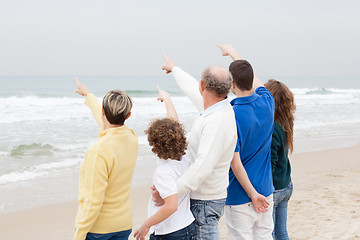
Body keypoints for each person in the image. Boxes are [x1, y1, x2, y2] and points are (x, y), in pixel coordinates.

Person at [160, 54, 269, 240]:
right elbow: (193, 92)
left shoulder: (216, 121)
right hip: (209, 197)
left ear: (202, 86)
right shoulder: (221, 109)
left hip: (205, 201)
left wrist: (170, 192)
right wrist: (175, 69)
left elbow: (203, 166)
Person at [217, 44, 275, 240]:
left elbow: (235, 162)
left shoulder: (230, 115)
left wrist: (252, 194)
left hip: (240, 195)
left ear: (232, 85)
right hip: (266, 190)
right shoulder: (268, 101)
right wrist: (233, 53)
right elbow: (256, 82)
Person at [73, 78, 138, 240]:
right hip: (123, 225)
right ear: (128, 115)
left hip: (98, 231)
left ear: (103, 110)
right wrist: (88, 95)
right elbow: (111, 126)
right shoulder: (131, 138)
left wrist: (79, 233)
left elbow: (94, 200)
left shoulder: (99, 150)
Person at [134, 86, 195, 240]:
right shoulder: (184, 156)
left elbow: (171, 205)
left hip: (170, 233)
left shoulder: (163, 171)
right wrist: (167, 99)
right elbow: (174, 123)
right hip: (187, 225)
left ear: (155, 145)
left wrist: (146, 225)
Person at [264, 79, 295, 240]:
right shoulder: (286, 121)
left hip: (275, 188)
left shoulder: (272, 127)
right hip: (286, 184)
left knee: (270, 232)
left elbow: (271, 163)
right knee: (281, 232)